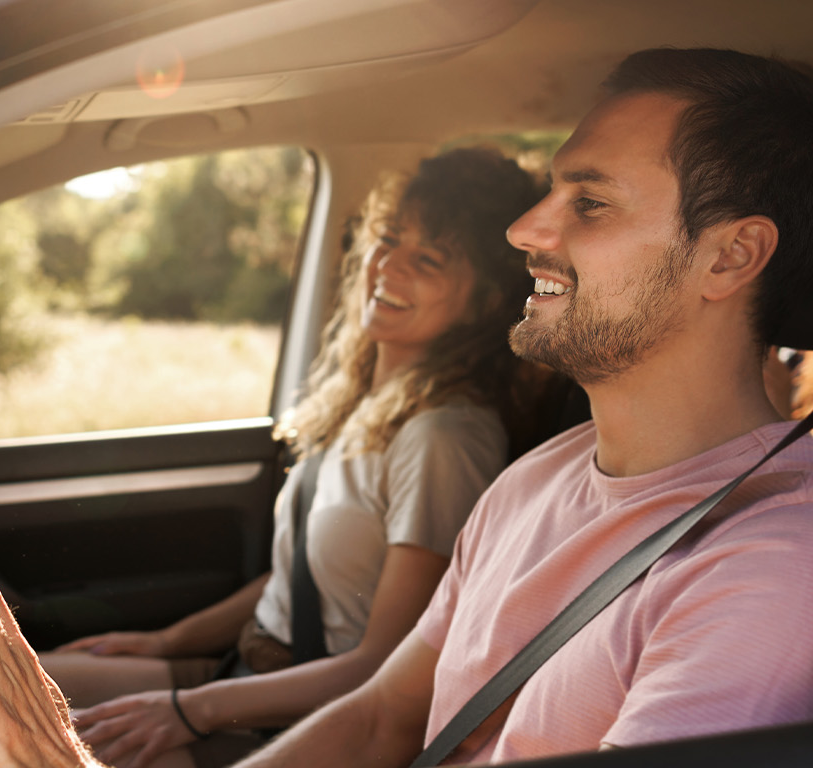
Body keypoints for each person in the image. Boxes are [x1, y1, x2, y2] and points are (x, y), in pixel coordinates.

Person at [0, 47, 813, 767]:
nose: (528, 229)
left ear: (729, 255)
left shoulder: (791, 574)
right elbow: (383, 717)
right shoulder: (539, 478)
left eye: (586, 202)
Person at [40, 147, 546, 768]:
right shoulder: (366, 404)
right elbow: (300, 573)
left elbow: (383, 669)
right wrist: (162, 642)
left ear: (486, 301)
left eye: (429, 259)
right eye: (388, 239)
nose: (387, 266)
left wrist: (186, 713)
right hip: (243, 673)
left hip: (310, 719)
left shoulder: (445, 435)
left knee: (38, 737)